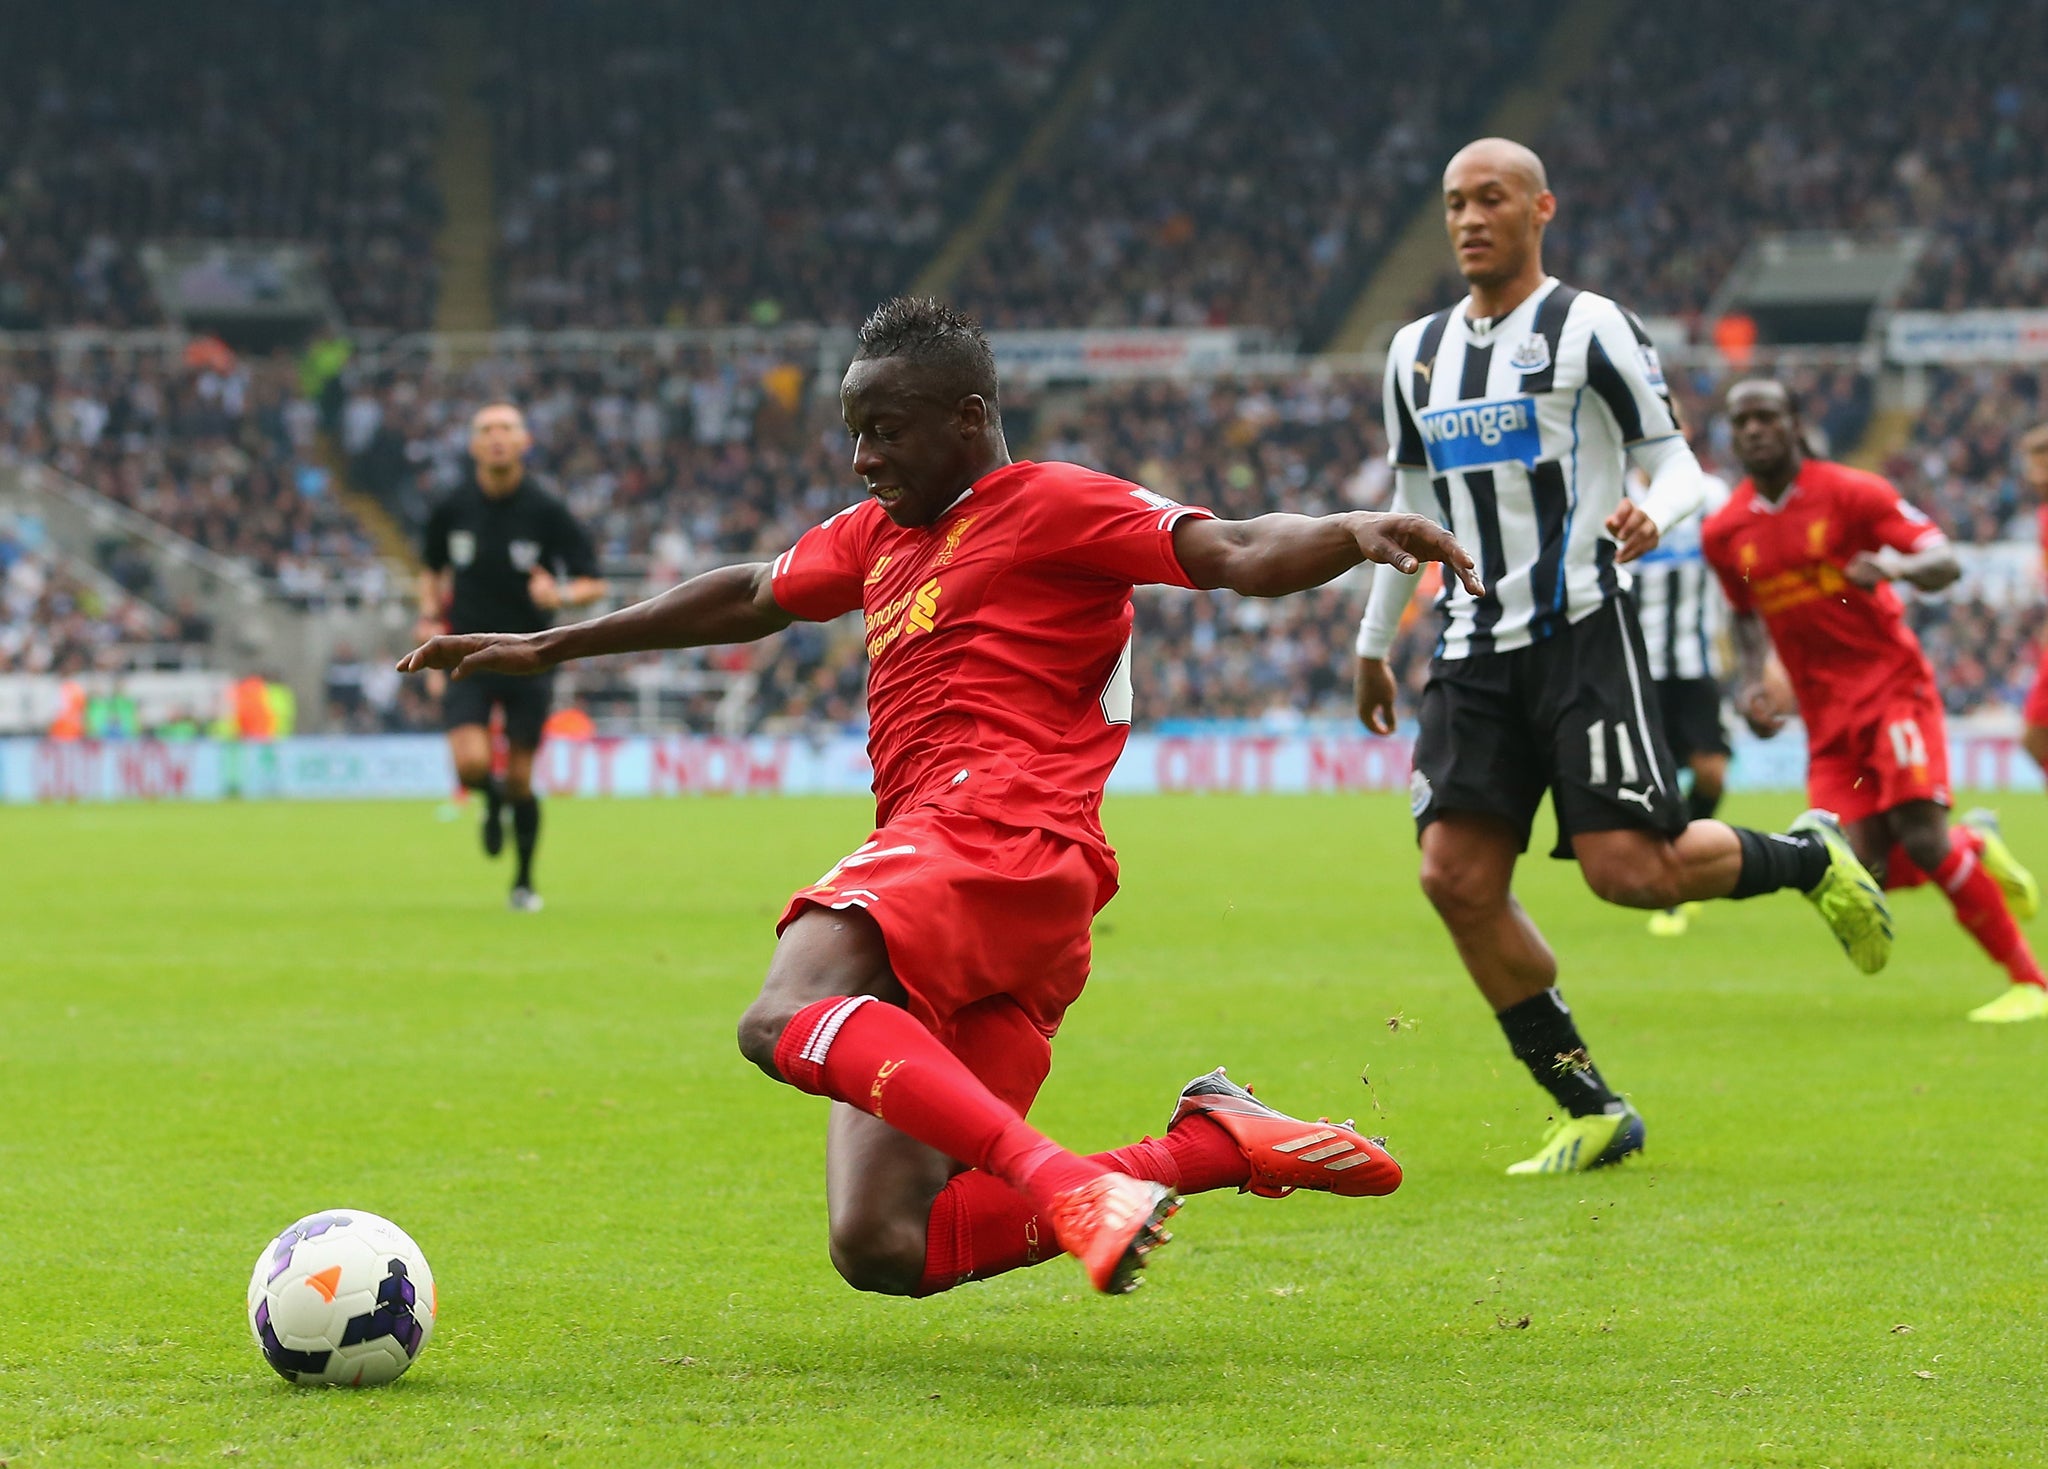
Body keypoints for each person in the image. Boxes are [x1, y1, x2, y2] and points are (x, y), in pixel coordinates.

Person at [403, 296, 1477, 1296]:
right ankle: (1209, 1145)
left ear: (968, 418)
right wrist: (551, 645)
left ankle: (1065, 1182)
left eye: (886, 429)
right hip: (991, 890)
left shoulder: (1052, 503)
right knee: (884, 1242)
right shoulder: (877, 537)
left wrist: (1349, 531)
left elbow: (1233, 547)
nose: (864, 457)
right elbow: (747, 592)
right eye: (854, 432)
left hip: (994, 830)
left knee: (780, 1010)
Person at [1352, 138, 1892, 1178]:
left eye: (1490, 199)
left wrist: (1659, 511)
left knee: (1628, 874)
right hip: (1466, 647)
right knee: (1453, 876)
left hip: (1579, 633)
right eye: (1454, 202)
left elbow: (1675, 463)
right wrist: (1375, 641)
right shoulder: (1411, 351)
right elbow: (1409, 510)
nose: (1468, 218)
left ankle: (1809, 857)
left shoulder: (1587, 324)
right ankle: (1586, 1104)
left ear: (1539, 208)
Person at [1704, 379, 2047, 1024]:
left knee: (1921, 837)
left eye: (1767, 417)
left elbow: (1944, 561)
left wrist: (1894, 568)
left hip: (1892, 688)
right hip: (1824, 715)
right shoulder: (1726, 531)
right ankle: (1975, 845)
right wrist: (1755, 680)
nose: (1754, 430)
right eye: (1741, 420)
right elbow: (1744, 613)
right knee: (1860, 871)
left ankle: (2032, 983)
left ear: (1795, 424)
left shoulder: (1854, 493)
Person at [418, 403, 606, 912]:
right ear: (473, 445)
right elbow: (430, 570)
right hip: (467, 653)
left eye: (506, 429)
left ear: (525, 442)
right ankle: (491, 801)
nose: (496, 437)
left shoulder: (546, 508)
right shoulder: (451, 506)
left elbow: (593, 581)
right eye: (486, 430)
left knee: (523, 777)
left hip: (530, 655)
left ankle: (523, 882)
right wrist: (429, 617)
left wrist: (560, 596)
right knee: (470, 764)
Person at [1630, 450, 1735, 937]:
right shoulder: (1615, 494)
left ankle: (1680, 859)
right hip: (1637, 662)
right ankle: (1672, 887)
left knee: (1711, 773)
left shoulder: (1709, 495)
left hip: (1696, 661)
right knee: (1662, 778)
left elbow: (1738, 566)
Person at [2017, 423, 2048, 778]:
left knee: (2035, 737)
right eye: (2033, 467)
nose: (2036, 476)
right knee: (2035, 740)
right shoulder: (2042, 516)